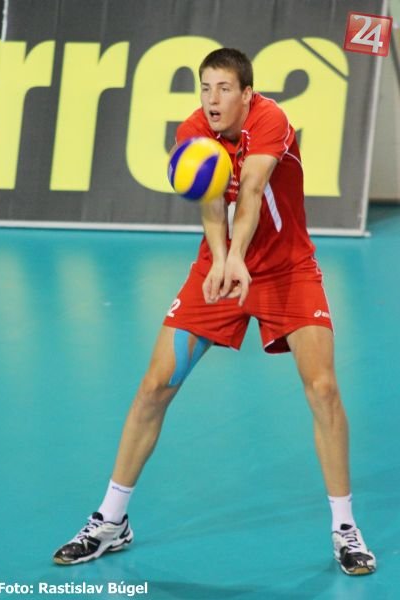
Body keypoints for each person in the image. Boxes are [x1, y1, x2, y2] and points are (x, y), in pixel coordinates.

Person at [53, 48, 376, 576]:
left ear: (247, 93)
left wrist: (238, 256)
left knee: (322, 389)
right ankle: (111, 520)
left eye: (224, 88)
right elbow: (211, 205)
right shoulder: (193, 132)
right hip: (220, 266)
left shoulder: (270, 119)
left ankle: (345, 528)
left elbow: (251, 190)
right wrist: (223, 260)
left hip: (287, 269)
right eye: (205, 88)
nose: (212, 99)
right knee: (155, 385)